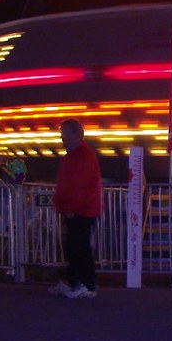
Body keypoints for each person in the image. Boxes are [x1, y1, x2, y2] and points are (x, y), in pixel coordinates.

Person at [49, 118, 102, 299]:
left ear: (74, 134)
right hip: (79, 209)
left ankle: (85, 284)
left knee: (78, 247)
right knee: (75, 247)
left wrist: (69, 207)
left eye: (64, 133)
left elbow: (78, 185)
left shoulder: (80, 155)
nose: (61, 137)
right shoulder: (78, 154)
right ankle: (78, 283)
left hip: (80, 210)